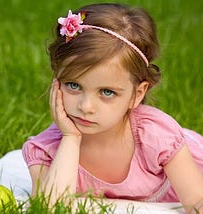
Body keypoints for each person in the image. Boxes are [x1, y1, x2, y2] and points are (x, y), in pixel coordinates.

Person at [21, 3, 203, 213]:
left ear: (137, 94)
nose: (86, 107)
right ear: (57, 81)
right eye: (73, 85)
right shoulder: (47, 150)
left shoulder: (156, 137)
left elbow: (197, 201)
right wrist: (70, 138)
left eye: (107, 92)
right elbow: (49, 209)